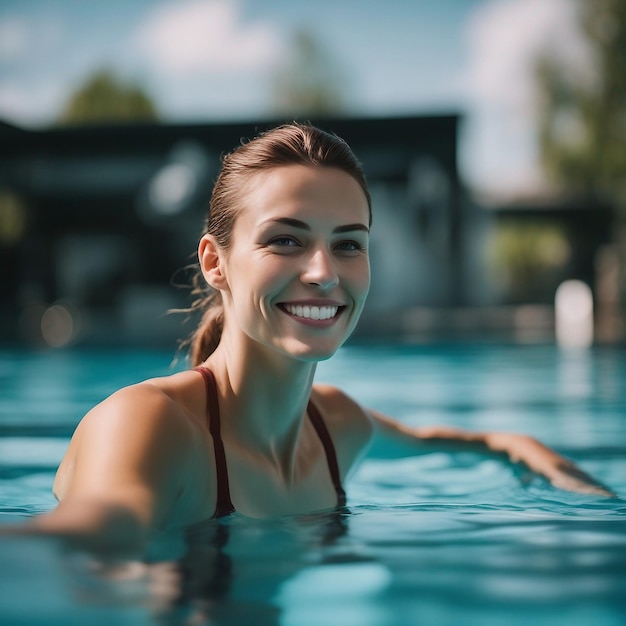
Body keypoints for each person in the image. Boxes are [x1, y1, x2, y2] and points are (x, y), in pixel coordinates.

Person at [7, 123, 613, 555]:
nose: (324, 272)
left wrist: (586, 497)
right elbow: (89, 533)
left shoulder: (337, 426)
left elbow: (488, 441)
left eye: (349, 243)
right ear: (216, 263)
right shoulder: (150, 425)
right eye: (286, 240)